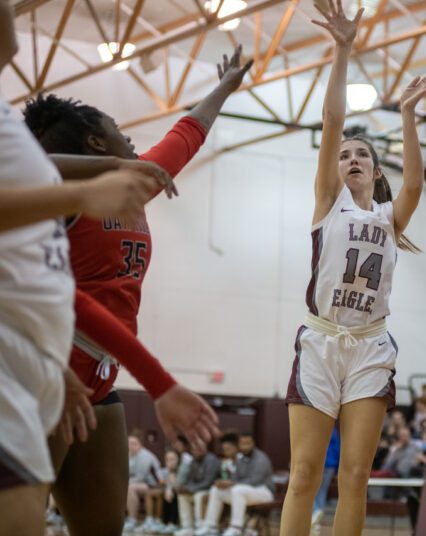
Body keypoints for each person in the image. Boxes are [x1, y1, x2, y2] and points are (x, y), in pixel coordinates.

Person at [0, 5, 218, 534]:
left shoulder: (127, 185)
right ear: (97, 144)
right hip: (37, 364)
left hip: (96, 373)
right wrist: (105, 175)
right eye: (120, 133)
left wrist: (226, 86)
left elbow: (186, 135)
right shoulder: (69, 195)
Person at [279, 3, 426, 534]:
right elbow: (332, 120)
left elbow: (415, 182)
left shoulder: (390, 217)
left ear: (374, 170)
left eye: (361, 155)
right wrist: (343, 49)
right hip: (322, 341)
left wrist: (409, 114)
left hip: (370, 345)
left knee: (355, 477)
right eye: (344, 154)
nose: (350, 159)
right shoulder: (329, 203)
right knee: (304, 475)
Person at [197, 433, 274, 536]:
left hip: (264, 492)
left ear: (253, 443)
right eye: (242, 443)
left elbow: (255, 481)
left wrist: (232, 483)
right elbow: (235, 477)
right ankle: (211, 526)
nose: (245, 446)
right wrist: (225, 483)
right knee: (216, 489)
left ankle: (236, 528)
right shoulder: (240, 458)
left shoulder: (261, 458)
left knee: (238, 490)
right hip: (244, 492)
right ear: (239, 445)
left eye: (248, 443)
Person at [176, 443, 222, 536]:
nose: (196, 452)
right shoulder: (193, 461)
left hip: (209, 490)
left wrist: (191, 489)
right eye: (193, 450)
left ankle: (200, 526)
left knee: (199, 496)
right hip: (197, 489)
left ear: (204, 449)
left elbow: (208, 482)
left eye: (198, 449)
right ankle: (187, 526)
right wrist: (186, 488)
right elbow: (191, 479)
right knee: (182, 496)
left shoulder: (211, 460)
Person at [126, 433, 162, 531]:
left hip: (153, 484)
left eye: (134, 443)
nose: (131, 446)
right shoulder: (127, 455)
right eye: (129, 443)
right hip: (136, 483)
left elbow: (141, 477)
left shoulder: (145, 456)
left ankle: (132, 519)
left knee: (130, 488)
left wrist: (125, 483)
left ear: (140, 444)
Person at [312, 427, 341, 527]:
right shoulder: (334, 432)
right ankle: (319, 513)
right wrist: (337, 468)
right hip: (331, 465)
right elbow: (338, 450)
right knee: (323, 491)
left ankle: (315, 512)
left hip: (317, 463)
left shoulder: (316, 428)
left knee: (312, 490)